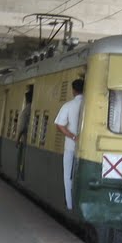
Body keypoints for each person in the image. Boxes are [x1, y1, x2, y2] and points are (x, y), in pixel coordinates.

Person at [54, 78, 84, 211]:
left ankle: (70, 205)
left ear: (73, 90)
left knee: (68, 175)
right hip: (87, 149)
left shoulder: (69, 105)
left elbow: (60, 125)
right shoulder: (90, 105)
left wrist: (73, 136)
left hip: (71, 146)